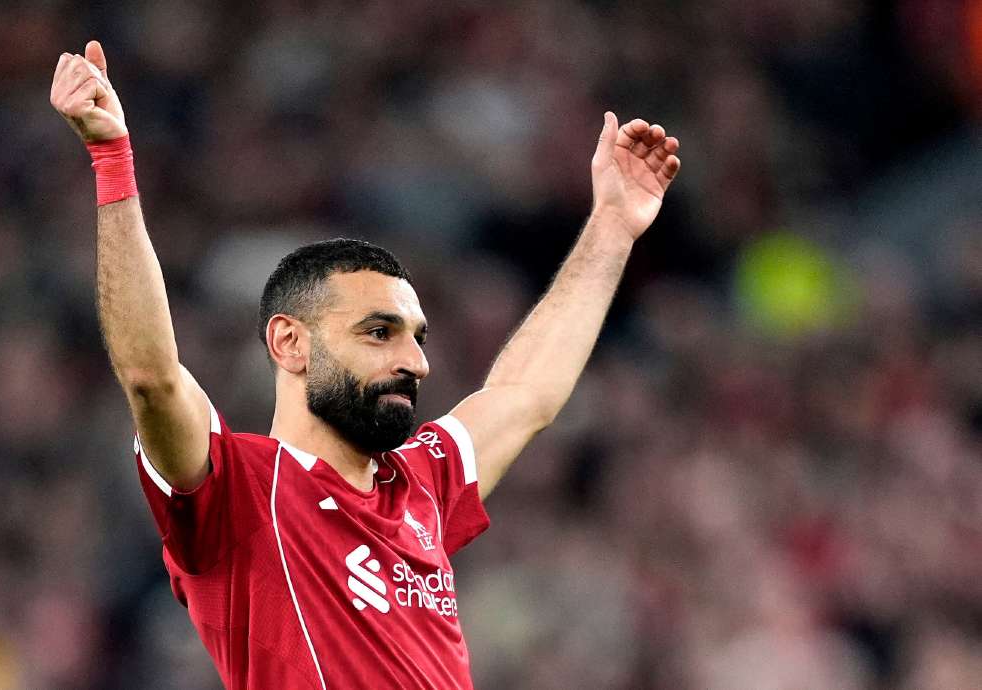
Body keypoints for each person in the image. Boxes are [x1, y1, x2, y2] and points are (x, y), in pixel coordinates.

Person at [50, 40, 681, 690]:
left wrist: (611, 226)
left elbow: (526, 393)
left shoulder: (422, 486)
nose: (414, 361)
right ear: (289, 343)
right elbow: (152, 378)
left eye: (417, 337)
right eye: (379, 332)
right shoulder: (236, 492)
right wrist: (113, 161)